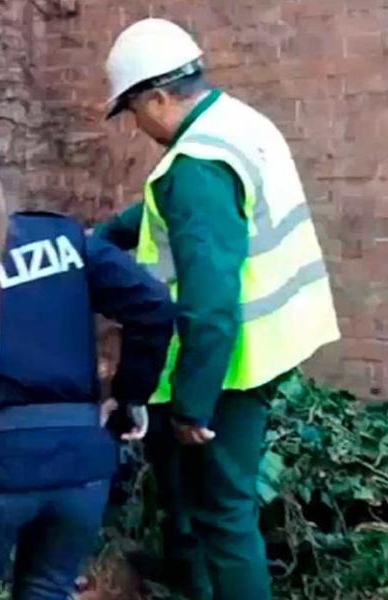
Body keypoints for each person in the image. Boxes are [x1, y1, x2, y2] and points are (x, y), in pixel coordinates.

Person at [96, 18, 341, 600]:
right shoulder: (235, 124)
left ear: (157, 96)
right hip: (272, 341)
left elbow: (209, 302)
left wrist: (191, 405)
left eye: (133, 110)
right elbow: (168, 216)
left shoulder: (197, 166)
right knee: (205, 505)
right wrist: (98, 239)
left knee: (225, 518)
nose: (137, 126)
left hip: (232, 364)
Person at [0, 130, 176, 600]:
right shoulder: (66, 239)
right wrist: (129, 395)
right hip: (81, 464)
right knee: (47, 589)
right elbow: (154, 306)